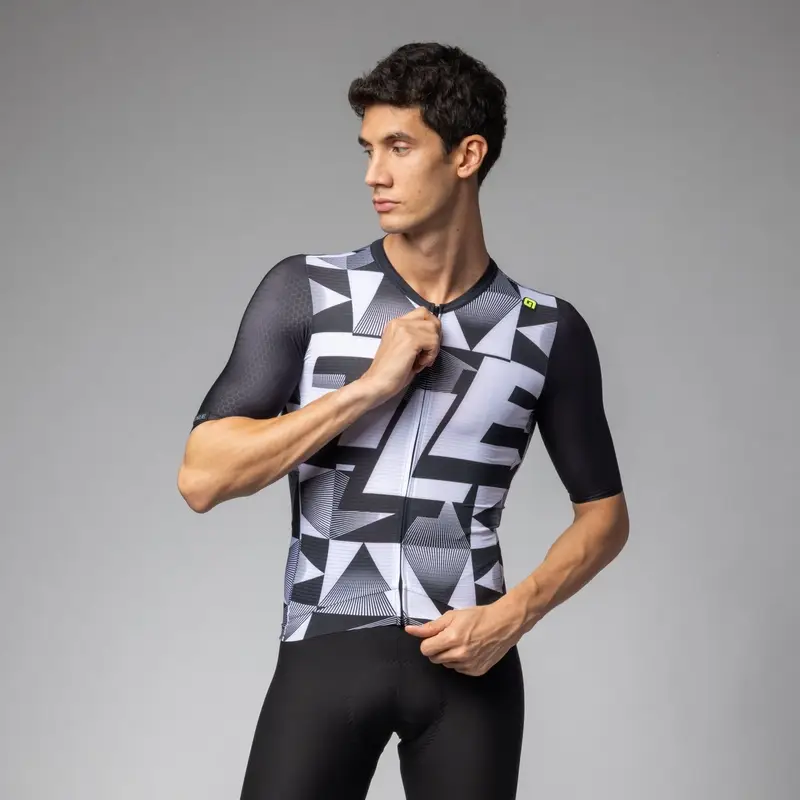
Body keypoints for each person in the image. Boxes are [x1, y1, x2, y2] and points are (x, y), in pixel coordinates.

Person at [178, 41, 629, 800]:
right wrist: (367, 388)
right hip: (326, 644)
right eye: (368, 149)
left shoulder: (545, 329)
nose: (373, 175)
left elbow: (605, 515)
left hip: (470, 663)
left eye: (399, 147)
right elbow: (202, 477)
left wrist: (514, 615)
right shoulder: (310, 293)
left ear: (466, 155)